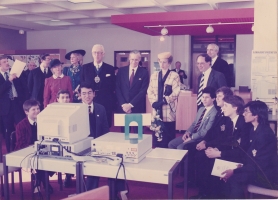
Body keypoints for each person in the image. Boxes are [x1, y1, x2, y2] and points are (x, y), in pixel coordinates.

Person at [191, 95, 249, 199]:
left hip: (240, 158)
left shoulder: (243, 123)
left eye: (226, 105)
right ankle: (207, 193)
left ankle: (212, 194)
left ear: (235, 108)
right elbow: (226, 140)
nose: (222, 107)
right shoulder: (229, 120)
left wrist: (219, 153)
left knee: (210, 161)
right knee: (203, 157)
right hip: (230, 152)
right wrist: (216, 149)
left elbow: (242, 150)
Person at [221, 100, 278, 199]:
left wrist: (235, 170)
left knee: (234, 178)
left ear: (256, 115)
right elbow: (251, 156)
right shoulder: (254, 129)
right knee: (230, 175)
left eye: (246, 111)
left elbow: (259, 165)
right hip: (257, 169)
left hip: (266, 175)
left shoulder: (264, 134)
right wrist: (240, 166)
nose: (243, 114)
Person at [15, 99, 54, 193]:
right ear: (26, 112)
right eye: (33, 109)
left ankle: (38, 180)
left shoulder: (43, 122)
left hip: (42, 150)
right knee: (38, 159)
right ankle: (44, 182)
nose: (37, 111)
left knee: (49, 157)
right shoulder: (21, 125)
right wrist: (34, 148)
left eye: (38, 108)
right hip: (27, 151)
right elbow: (21, 144)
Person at [79, 83, 109, 190]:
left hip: (99, 145)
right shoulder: (75, 110)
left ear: (94, 94)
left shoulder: (101, 108)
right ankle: (90, 193)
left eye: (89, 93)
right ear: (80, 95)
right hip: (81, 147)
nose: (87, 96)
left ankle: (114, 192)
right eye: (84, 93)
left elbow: (105, 129)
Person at [147, 52, 180, 148]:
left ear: (169, 63)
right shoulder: (154, 75)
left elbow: (176, 92)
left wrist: (164, 100)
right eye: (160, 62)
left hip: (168, 110)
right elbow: (150, 91)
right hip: (156, 110)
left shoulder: (174, 75)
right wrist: (154, 103)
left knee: (168, 135)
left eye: (164, 62)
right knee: (156, 132)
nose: (162, 64)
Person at [81, 44, 115, 127]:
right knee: (89, 124)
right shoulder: (85, 68)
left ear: (103, 54)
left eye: (99, 53)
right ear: (92, 54)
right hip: (90, 101)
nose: (97, 55)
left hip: (105, 101)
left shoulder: (110, 68)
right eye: (95, 53)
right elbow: (82, 84)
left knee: (105, 125)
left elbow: (113, 86)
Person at [116, 50, 149, 132]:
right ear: (129, 59)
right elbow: (117, 88)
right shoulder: (121, 71)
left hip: (137, 107)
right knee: (125, 133)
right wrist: (124, 105)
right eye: (132, 59)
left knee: (138, 133)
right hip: (123, 108)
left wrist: (130, 105)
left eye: (136, 60)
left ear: (139, 60)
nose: (134, 62)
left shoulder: (144, 73)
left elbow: (143, 91)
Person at [0, 55, 27, 152]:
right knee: (8, 131)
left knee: (22, 127)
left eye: (7, 61)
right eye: (4, 62)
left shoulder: (14, 73)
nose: (7, 63)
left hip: (17, 104)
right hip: (5, 108)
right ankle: (10, 151)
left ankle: (22, 148)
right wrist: (9, 81)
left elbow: (23, 88)